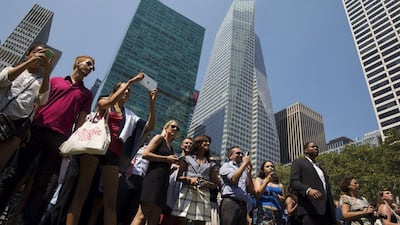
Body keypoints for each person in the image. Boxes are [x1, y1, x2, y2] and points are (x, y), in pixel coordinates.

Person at [0, 55, 95, 225]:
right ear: (77, 63)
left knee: (41, 184)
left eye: (93, 67)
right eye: (88, 63)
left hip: (59, 139)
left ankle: (25, 222)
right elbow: (39, 103)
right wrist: (27, 127)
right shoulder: (54, 80)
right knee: (15, 173)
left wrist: (71, 143)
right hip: (36, 130)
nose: (90, 67)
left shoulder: (87, 94)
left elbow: (81, 120)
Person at [65, 72, 155, 225]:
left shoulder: (130, 115)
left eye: (128, 92)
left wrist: (152, 103)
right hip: (95, 149)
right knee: (81, 195)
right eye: (124, 89)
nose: (126, 92)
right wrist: (130, 81)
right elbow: (108, 102)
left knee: (110, 203)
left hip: (113, 154)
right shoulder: (105, 101)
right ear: (115, 91)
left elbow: (150, 126)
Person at [0, 44, 51, 172]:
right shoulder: (12, 69)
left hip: (19, 124)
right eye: (37, 52)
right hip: (2, 114)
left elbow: (42, 100)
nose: (39, 56)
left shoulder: (42, 81)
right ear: (28, 54)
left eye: (43, 55)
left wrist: (47, 73)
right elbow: (2, 80)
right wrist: (28, 62)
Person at [130, 120, 180, 225]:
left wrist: (172, 168)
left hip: (163, 183)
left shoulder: (171, 148)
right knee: (142, 214)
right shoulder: (159, 138)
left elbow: (164, 167)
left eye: (177, 128)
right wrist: (166, 158)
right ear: (166, 128)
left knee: (154, 218)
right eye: (173, 126)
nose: (175, 129)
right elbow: (145, 154)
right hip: (152, 180)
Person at [172, 135, 219, 225]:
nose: (208, 143)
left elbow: (215, 184)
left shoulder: (210, 163)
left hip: (203, 193)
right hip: (187, 190)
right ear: (198, 143)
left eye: (209, 142)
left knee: (200, 221)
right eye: (205, 141)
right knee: (182, 218)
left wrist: (208, 184)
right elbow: (178, 177)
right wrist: (189, 179)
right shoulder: (186, 159)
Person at [289, 141, 337, 225]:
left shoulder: (320, 168)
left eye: (317, 147)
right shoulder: (299, 162)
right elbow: (294, 182)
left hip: (327, 212)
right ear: (305, 150)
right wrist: (308, 190)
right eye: (312, 147)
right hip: (310, 210)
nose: (316, 148)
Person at [117, 134, 152, 225]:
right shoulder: (131, 145)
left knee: (132, 209)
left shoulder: (149, 149)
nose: (146, 137)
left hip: (141, 180)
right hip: (127, 177)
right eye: (145, 134)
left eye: (148, 135)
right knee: (119, 205)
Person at [160, 137, 193, 225]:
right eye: (186, 143)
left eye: (191, 144)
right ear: (182, 145)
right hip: (170, 192)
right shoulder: (174, 158)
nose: (188, 145)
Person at [219, 146, 254, 225]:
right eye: (238, 153)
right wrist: (244, 164)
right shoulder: (226, 166)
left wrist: (249, 173)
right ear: (230, 156)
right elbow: (233, 180)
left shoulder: (244, 171)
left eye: (242, 153)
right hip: (230, 203)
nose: (241, 155)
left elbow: (251, 190)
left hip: (243, 204)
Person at [253, 160, 286, 225]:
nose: (270, 168)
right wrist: (266, 181)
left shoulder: (280, 185)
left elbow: (284, 203)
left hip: (278, 212)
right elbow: (258, 194)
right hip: (264, 210)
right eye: (267, 166)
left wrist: (281, 199)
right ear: (263, 169)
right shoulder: (259, 180)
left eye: (272, 166)